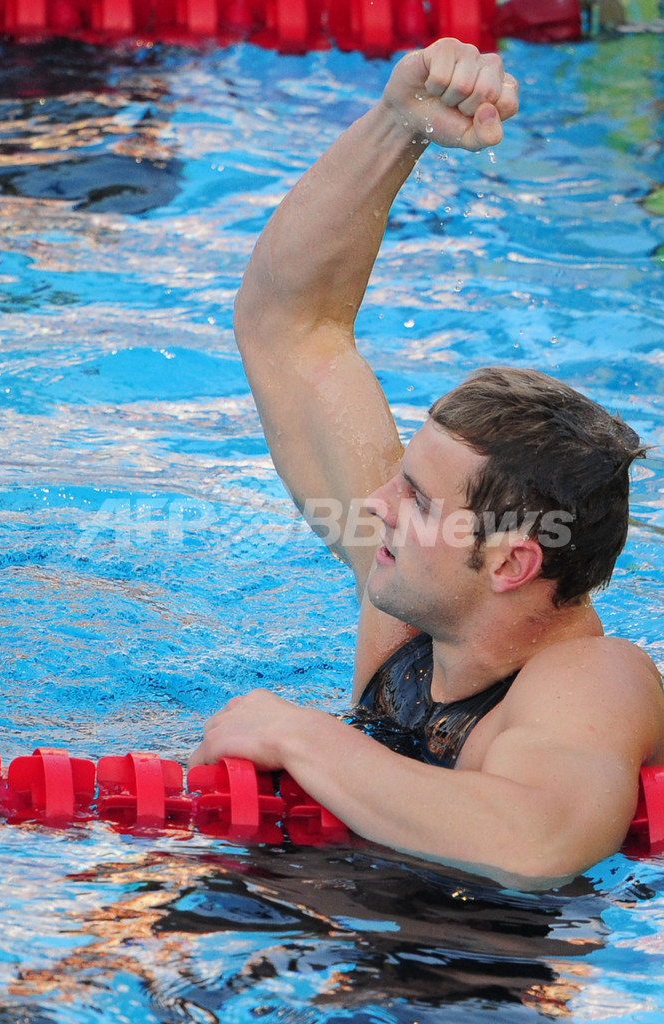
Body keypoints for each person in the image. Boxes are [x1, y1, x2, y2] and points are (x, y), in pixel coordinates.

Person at [189, 38, 664, 888]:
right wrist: (394, 125)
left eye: (414, 499)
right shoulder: (417, 613)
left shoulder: (593, 682)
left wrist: (302, 735)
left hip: (471, 951)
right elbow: (290, 328)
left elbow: (535, 843)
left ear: (510, 563)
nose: (374, 503)